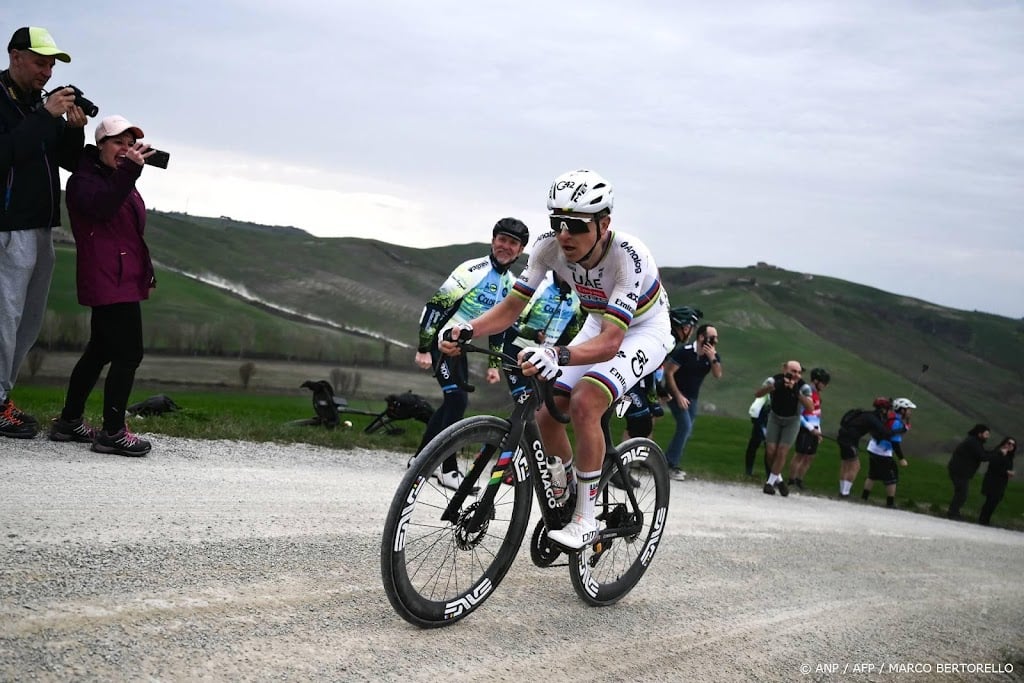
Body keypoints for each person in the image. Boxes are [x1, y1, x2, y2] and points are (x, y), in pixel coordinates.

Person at [440, 168, 673, 549]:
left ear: (603, 224)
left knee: (586, 400)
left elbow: (612, 343)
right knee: (547, 415)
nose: (565, 234)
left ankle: (585, 519)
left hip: (644, 330)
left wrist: (556, 352)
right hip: (599, 320)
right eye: (557, 222)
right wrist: (468, 329)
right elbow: (512, 308)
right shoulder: (548, 248)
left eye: (576, 225)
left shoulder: (629, 255)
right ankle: (565, 490)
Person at [48, 115, 159, 455]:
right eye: (117, 143)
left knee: (101, 350)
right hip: (108, 278)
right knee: (129, 354)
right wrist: (130, 172)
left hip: (121, 275)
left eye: (130, 144)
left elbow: (129, 228)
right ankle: (113, 432)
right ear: (99, 146)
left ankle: (69, 421)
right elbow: (103, 208)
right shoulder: (84, 181)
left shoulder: (116, 177)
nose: (125, 149)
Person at [0, 26, 85, 438]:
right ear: (15, 56)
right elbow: (6, 152)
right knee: (5, 316)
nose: (47, 72)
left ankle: (3, 396)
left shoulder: (39, 104)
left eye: (51, 65)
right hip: (7, 226)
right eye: (39, 62)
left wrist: (73, 128)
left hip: (41, 226)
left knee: (27, 321)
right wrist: (44, 116)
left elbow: (67, 161)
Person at [413, 217, 529, 489]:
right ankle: (447, 468)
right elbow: (436, 306)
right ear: (493, 241)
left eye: (513, 243)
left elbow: (499, 326)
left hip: (459, 346)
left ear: (520, 250)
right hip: (441, 339)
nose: (506, 246)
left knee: (452, 402)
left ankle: (419, 460)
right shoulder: (472, 270)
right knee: (457, 400)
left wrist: (493, 365)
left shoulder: (510, 284)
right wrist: (424, 348)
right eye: (502, 240)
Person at [502, 271, 581, 401]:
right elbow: (512, 320)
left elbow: (574, 329)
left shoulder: (577, 292)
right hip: (519, 349)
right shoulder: (541, 283)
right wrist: (533, 334)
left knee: (539, 402)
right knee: (523, 398)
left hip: (547, 355)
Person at [663, 322, 722, 481]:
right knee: (685, 426)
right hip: (674, 393)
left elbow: (718, 374)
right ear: (702, 337)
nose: (715, 341)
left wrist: (712, 358)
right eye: (712, 338)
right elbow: (669, 373)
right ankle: (669, 464)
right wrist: (678, 396)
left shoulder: (712, 356)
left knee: (687, 431)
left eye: (716, 338)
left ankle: (667, 461)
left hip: (692, 398)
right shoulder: (685, 352)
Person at [754, 361, 814, 496]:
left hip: (792, 420)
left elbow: (810, 407)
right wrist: (774, 386)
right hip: (775, 417)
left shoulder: (803, 386)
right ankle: (779, 480)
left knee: (782, 451)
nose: (796, 375)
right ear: (784, 369)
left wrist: (797, 393)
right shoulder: (773, 380)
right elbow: (758, 393)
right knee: (770, 451)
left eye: (799, 372)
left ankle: (769, 483)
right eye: (793, 371)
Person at [835, 397, 902, 498]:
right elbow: (886, 432)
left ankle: (842, 492)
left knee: (845, 465)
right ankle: (845, 493)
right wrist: (901, 429)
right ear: (883, 410)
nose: (890, 412)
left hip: (843, 437)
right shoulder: (873, 419)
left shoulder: (867, 415)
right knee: (855, 466)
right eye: (889, 410)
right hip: (850, 441)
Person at [861, 397, 915, 508]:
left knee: (872, 474)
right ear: (902, 410)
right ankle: (890, 503)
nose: (910, 412)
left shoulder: (889, 416)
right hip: (883, 451)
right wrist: (901, 458)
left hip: (873, 447)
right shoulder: (897, 423)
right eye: (909, 409)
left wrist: (907, 423)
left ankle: (864, 498)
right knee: (892, 477)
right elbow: (895, 443)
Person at [787, 367, 830, 490]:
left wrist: (818, 430)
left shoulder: (817, 395)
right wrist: (811, 428)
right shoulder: (807, 392)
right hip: (805, 429)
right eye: (824, 383)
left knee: (809, 457)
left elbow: (817, 414)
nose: (825, 386)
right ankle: (791, 480)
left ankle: (799, 480)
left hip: (814, 429)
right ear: (816, 381)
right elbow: (799, 414)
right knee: (800, 455)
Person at [946, 423, 997, 520]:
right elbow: (983, 457)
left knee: (960, 493)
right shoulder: (973, 442)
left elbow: (983, 453)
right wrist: (997, 453)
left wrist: (996, 451)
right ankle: (953, 513)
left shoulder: (974, 441)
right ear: (980, 434)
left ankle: (954, 512)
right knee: (962, 494)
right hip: (960, 471)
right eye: (986, 434)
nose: (988, 437)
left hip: (960, 471)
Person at [979, 437, 1016, 526]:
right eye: (1009, 443)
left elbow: (1006, 468)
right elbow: (994, 466)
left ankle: (986, 520)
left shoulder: (1010, 457)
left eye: (1013, 445)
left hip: (1001, 483)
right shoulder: (998, 452)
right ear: (1004, 443)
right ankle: (983, 520)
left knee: (994, 501)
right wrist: (1006, 471)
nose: (1011, 445)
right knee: (990, 501)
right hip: (992, 481)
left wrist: (1009, 473)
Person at [743, 394, 770, 477]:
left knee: (766, 449)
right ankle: (749, 471)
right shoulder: (766, 395)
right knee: (756, 445)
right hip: (761, 421)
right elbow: (755, 409)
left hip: (765, 421)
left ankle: (769, 475)